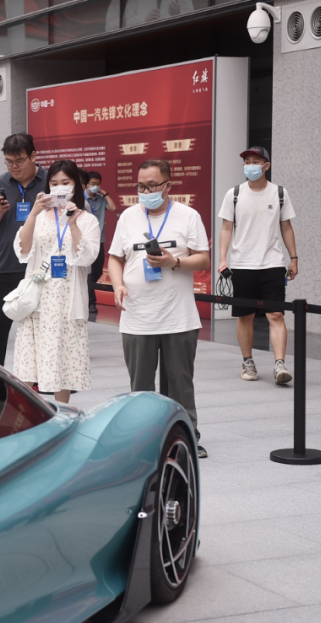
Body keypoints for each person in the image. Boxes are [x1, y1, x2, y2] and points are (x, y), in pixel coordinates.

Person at [108, 159, 210, 459]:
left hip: (178, 315)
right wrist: (117, 285)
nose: (146, 192)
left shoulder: (188, 216)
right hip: (137, 315)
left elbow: (203, 259)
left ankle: (186, 436)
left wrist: (173, 261)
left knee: (180, 383)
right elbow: (115, 258)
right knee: (140, 385)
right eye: (141, 186)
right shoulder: (128, 216)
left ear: (168, 186)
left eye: (152, 186)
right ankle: (142, 438)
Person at [11, 160, 100, 404]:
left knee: (64, 361)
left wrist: (72, 224)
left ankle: (62, 413)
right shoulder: (39, 216)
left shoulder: (87, 220)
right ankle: (27, 413)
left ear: (77, 185)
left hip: (67, 298)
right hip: (38, 295)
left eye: (65, 182)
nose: (60, 187)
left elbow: (86, 257)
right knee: (29, 361)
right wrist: (33, 213)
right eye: (54, 183)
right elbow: (22, 250)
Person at [217, 146, 298, 385]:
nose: (250, 165)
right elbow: (226, 228)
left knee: (276, 314)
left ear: (266, 166)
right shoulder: (234, 194)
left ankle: (280, 364)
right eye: (247, 161)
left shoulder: (279, 193)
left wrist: (294, 258)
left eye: (255, 161)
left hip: (272, 263)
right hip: (242, 265)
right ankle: (247, 361)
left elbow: (286, 227)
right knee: (246, 316)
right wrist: (223, 259)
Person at [0, 133, 48, 365]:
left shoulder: (49, 181)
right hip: (5, 267)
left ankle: (41, 381)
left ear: (33, 156)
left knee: (42, 332)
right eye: (9, 161)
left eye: (19, 161)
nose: (14, 167)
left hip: (40, 269)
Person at [84, 170, 116, 314]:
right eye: (92, 184)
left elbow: (113, 207)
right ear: (86, 184)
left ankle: (86, 293)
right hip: (85, 241)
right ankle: (91, 302)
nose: (95, 186)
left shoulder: (101, 199)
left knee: (97, 271)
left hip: (99, 240)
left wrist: (105, 193)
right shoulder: (81, 199)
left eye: (98, 184)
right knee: (89, 272)